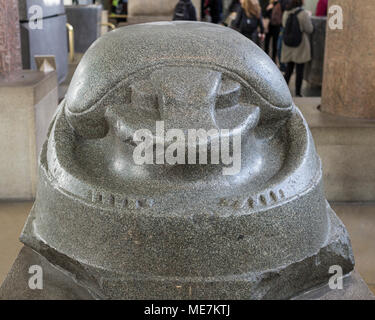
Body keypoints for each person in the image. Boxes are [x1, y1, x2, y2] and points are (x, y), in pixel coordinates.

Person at [281, 0, 313, 97]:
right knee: (299, 70)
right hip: (300, 46)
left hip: (288, 45)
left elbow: (283, 25)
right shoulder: (303, 14)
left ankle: (282, 91)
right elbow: (309, 29)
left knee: (289, 69)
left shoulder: (286, 12)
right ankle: (298, 93)